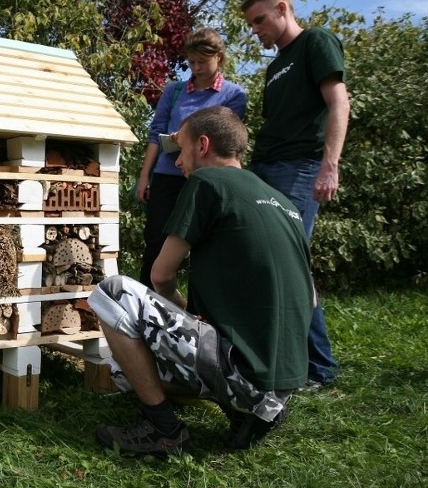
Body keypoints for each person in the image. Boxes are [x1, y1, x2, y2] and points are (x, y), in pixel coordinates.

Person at [91, 106, 314, 456]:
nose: (178, 162)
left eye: (181, 150)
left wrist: (183, 315)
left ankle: (162, 429)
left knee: (113, 294)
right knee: (130, 364)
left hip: (243, 375)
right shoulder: (283, 203)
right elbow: (311, 300)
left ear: (203, 144)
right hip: (283, 385)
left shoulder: (207, 183)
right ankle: (249, 414)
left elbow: (161, 277)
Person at [241, 0, 350, 390]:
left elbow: (339, 103)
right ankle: (282, 357)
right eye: (251, 23)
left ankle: (319, 368)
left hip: (301, 169)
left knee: (291, 264)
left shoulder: (315, 43)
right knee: (269, 263)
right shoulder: (275, 67)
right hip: (266, 167)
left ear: (282, 9)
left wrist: (329, 167)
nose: (255, 30)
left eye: (260, 20)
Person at [135, 27, 247, 288]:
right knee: (156, 242)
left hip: (206, 179)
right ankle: (143, 308)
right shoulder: (174, 91)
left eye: (202, 61)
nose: (196, 68)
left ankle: (198, 311)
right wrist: (144, 177)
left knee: (206, 245)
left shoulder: (234, 95)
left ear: (218, 57)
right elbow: (155, 134)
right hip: (167, 177)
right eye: (191, 62)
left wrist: (188, 137)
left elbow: (228, 139)